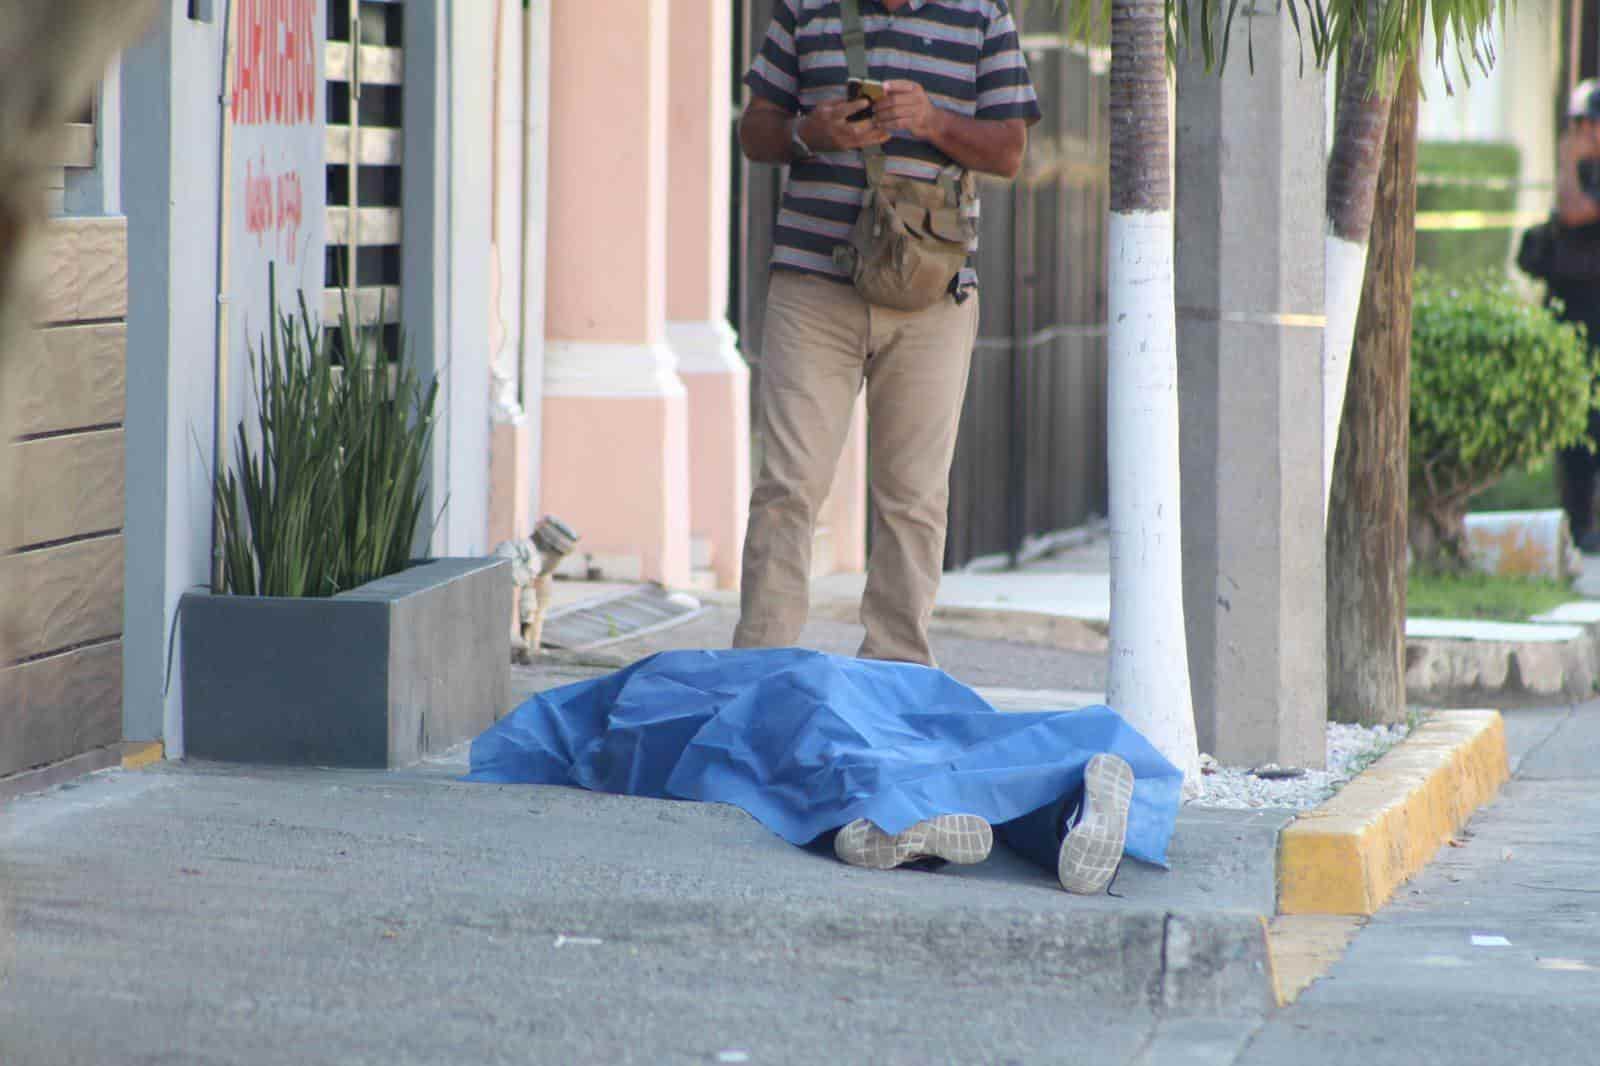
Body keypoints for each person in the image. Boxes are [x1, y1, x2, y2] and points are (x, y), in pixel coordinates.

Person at [732, 0, 1042, 667]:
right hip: (814, 286)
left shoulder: (981, 16)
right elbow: (754, 131)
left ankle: (897, 672)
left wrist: (931, 120)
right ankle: (758, 670)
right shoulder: (803, 10)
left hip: (933, 295)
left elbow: (1010, 150)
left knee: (915, 497)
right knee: (789, 486)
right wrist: (809, 132)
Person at [467, 649, 1177, 895]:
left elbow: (595, 744)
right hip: (881, 691)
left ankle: (883, 825)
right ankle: (1068, 815)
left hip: (809, 696)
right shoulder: (663, 680)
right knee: (966, 748)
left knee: (820, 750)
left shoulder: (641, 693)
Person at [1544, 80, 1600, 552]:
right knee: (1576, 428)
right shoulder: (1584, 171)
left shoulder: (1584, 178)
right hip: (1576, 319)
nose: (1581, 133)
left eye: (1588, 124)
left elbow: (1573, 211)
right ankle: (1578, 523)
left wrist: (1566, 158)